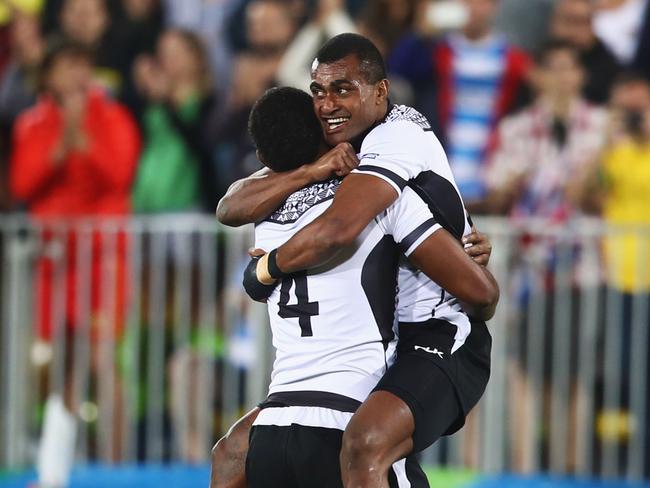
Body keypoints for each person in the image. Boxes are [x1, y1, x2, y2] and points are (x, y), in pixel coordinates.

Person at [215, 33, 497, 487]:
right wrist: (309, 171)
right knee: (234, 453)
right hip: (383, 338)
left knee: (365, 442)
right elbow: (230, 205)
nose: (326, 104)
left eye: (342, 89)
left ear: (380, 92)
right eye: (318, 91)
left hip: (440, 332)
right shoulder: (332, 153)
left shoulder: (396, 136)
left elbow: (337, 230)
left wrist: (264, 270)